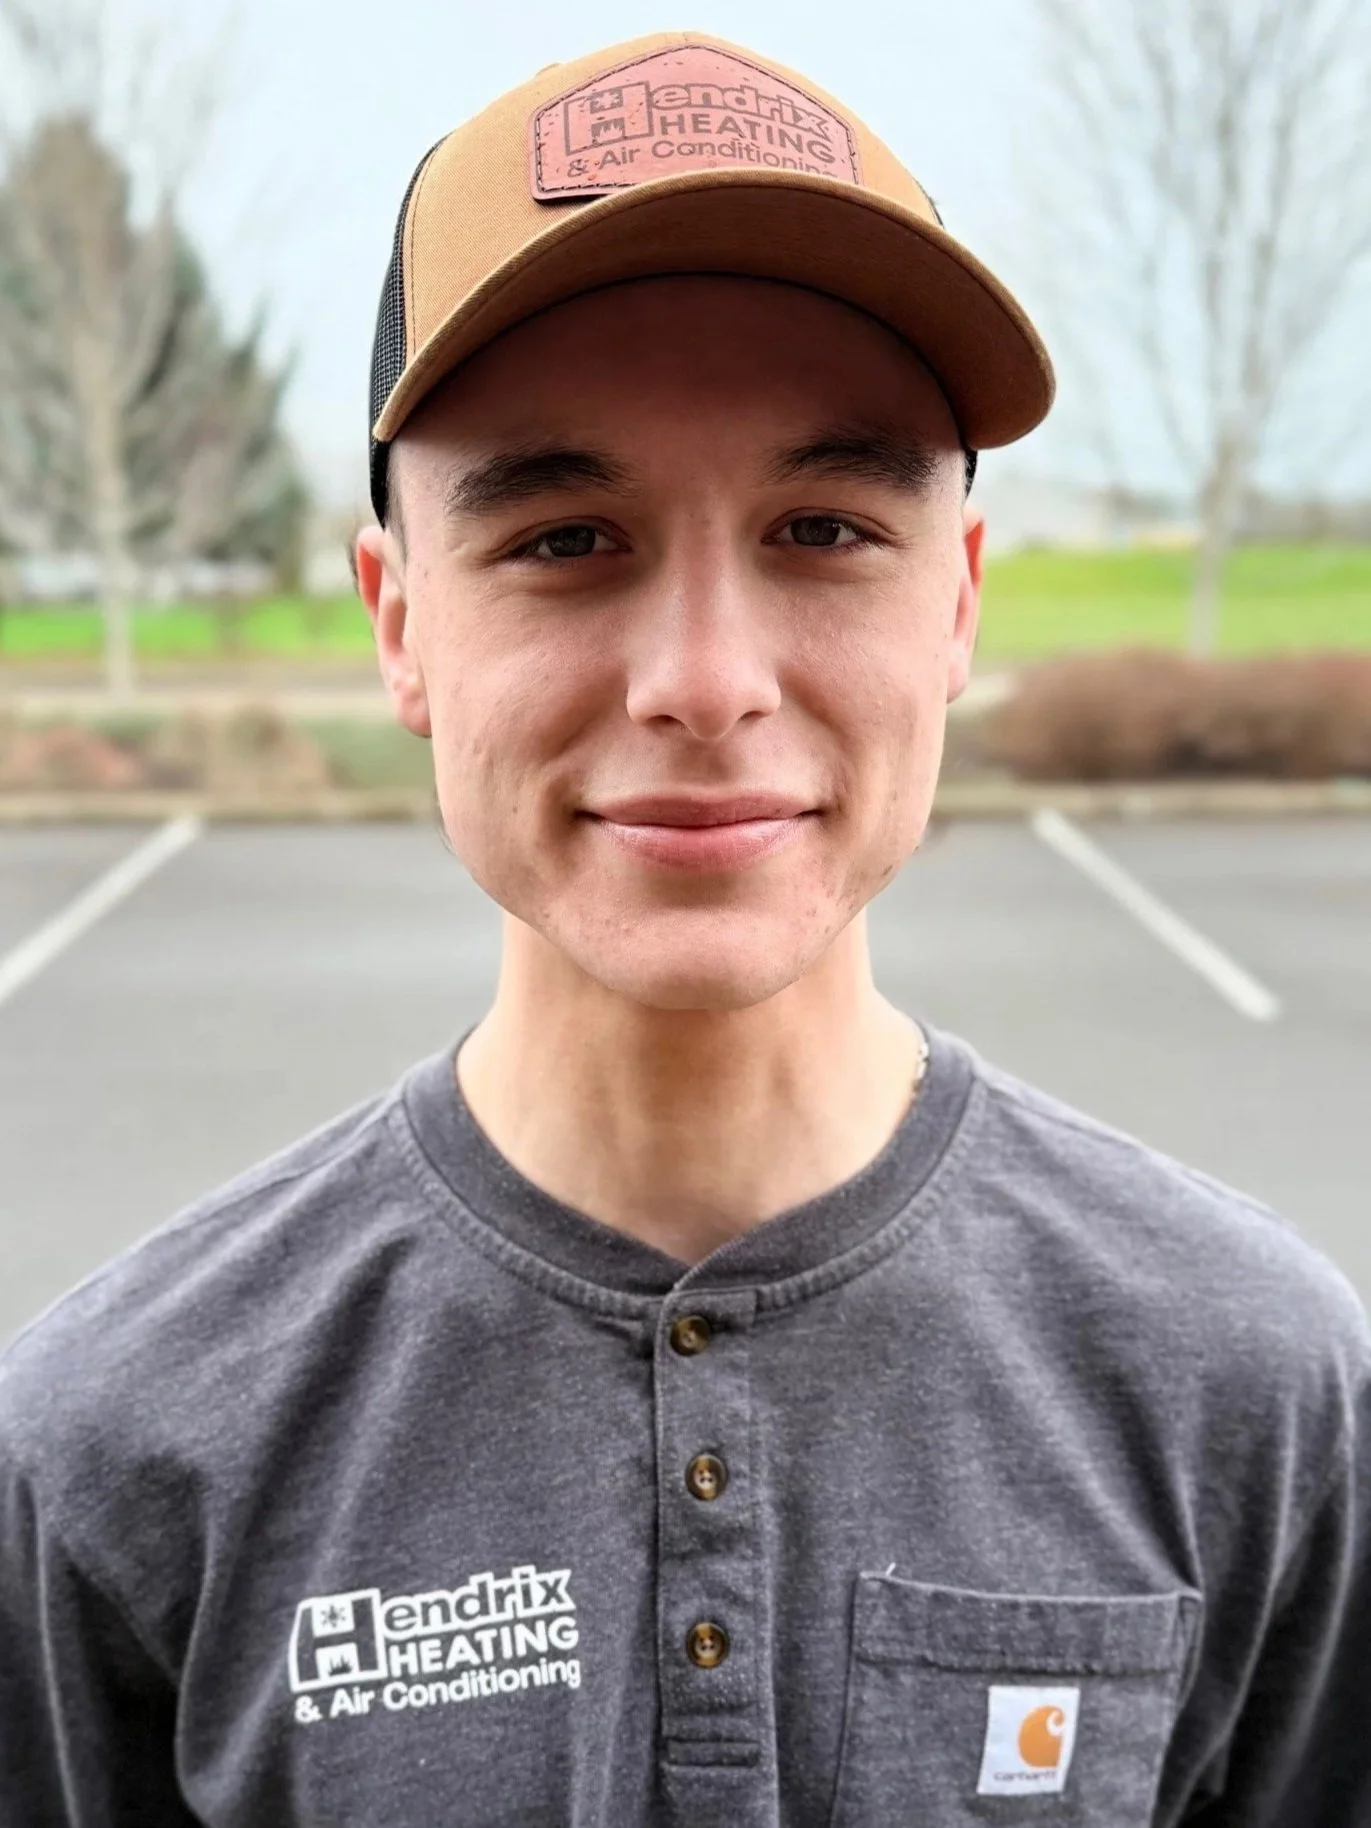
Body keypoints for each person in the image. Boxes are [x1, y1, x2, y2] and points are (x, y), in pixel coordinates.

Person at [1, 29, 1367, 1827]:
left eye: (823, 525)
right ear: (399, 621)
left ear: (954, 602)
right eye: (566, 540)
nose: (706, 683)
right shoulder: (115, 1443)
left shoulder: (1255, 1389)